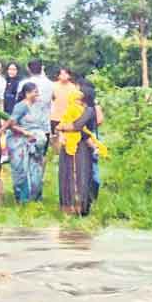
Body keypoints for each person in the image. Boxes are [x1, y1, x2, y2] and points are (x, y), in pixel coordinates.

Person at [6, 83, 49, 203]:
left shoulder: (39, 106)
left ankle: (35, 197)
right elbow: (12, 125)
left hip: (35, 143)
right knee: (21, 170)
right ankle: (22, 199)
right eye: (35, 92)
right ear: (27, 93)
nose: (37, 94)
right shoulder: (21, 106)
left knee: (36, 170)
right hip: (20, 141)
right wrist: (26, 133)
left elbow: (43, 124)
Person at [57, 87, 96, 215]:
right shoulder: (70, 108)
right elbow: (67, 123)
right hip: (69, 144)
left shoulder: (89, 110)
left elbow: (77, 126)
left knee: (81, 175)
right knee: (66, 175)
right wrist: (63, 129)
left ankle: (81, 207)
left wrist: (62, 127)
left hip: (82, 146)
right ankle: (68, 207)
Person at [17, 59, 54, 138]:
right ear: (42, 69)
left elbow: (19, 103)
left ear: (28, 69)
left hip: (27, 126)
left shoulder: (23, 84)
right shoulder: (50, 84)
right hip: (45, 125)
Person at [51, 67, 77, 135]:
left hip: (68, 117)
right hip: (54, 116)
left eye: (66, 74)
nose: (64, 76)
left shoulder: (73, 87)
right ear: (58, 76)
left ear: (69, 75)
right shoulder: (53, 86)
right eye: (62, 74)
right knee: (55, 139)